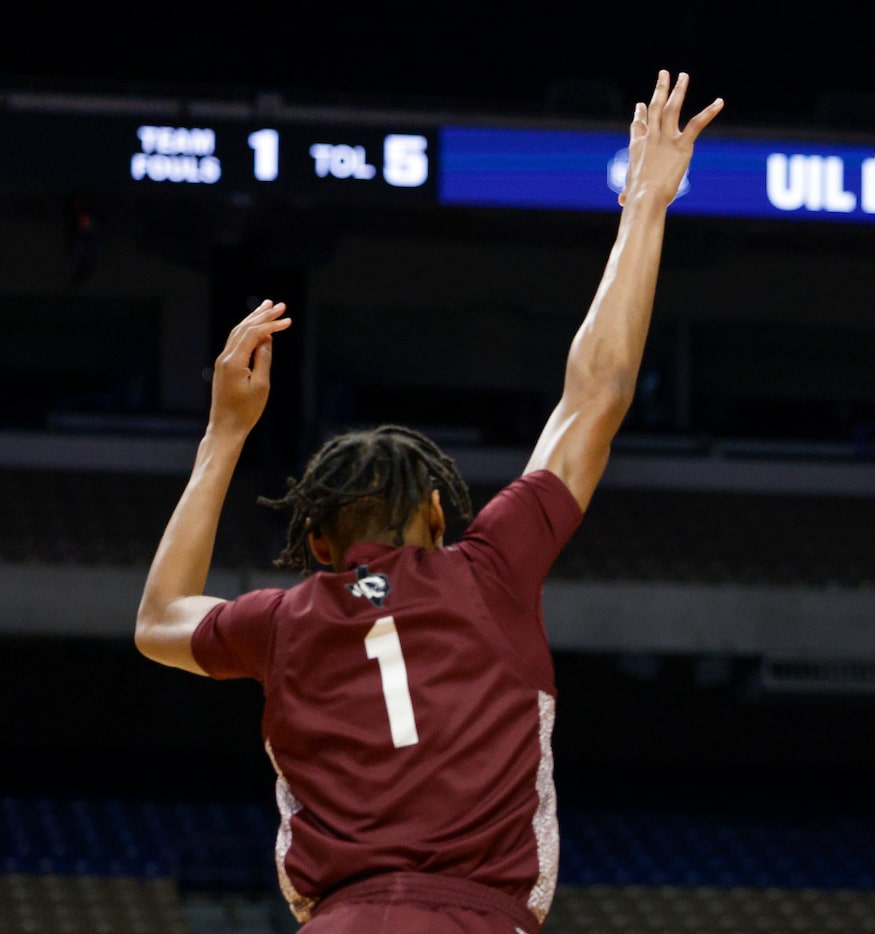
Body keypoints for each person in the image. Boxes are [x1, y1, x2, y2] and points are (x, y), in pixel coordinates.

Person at [134, 70, 723, 933]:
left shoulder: (286, 618)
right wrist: (645, 204)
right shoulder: (489, 569)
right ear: (441, 519)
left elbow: (158, 622)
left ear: (321, 544)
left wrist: (224, 435)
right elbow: (595, 392)